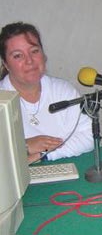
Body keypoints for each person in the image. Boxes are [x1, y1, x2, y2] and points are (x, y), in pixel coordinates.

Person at [0, 22, 93, 164]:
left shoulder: (63, 90)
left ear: (43, 55)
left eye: (34, 51)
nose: (29, 61)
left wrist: (44, 155)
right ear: (6, 64)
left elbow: (89, 136)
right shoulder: (2, 99)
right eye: (18, 56)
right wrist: (24, 147)